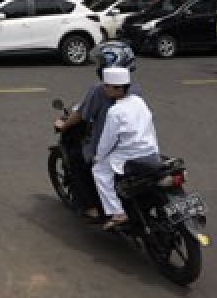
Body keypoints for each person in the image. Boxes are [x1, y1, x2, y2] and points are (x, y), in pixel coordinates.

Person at [54, 41, 135, 219]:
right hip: (138, 146)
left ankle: (92, 207)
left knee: (78, 158)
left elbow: (81, 115)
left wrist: (64, 125)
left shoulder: (100, 91)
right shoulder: (134, 90)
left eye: (100, 63)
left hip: (113, 150)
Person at [92, 66, 161, 230]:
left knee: (99, 171)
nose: (104, 88)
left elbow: (108, 140)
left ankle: (117, 213)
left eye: (106, 86)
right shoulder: (138, 101)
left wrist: (98, 156)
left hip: (130, 156)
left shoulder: (115, 111)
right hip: (151, 151)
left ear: (116, 88)